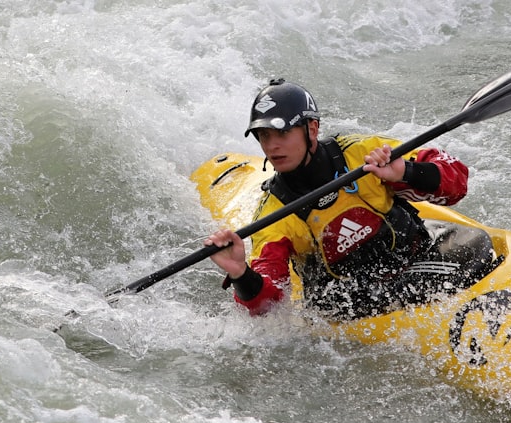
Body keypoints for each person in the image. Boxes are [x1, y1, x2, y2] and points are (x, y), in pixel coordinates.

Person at [204, 79, 494, 319]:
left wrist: (403, 171)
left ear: (312, 129)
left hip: (414, 260)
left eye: (281, 132)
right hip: (355, 304)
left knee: (472, 246)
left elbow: (457, 180)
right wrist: (241, 273)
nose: (272, 146)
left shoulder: (361, 154)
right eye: (263, 136)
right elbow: (270, 306)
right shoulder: (275, 216)